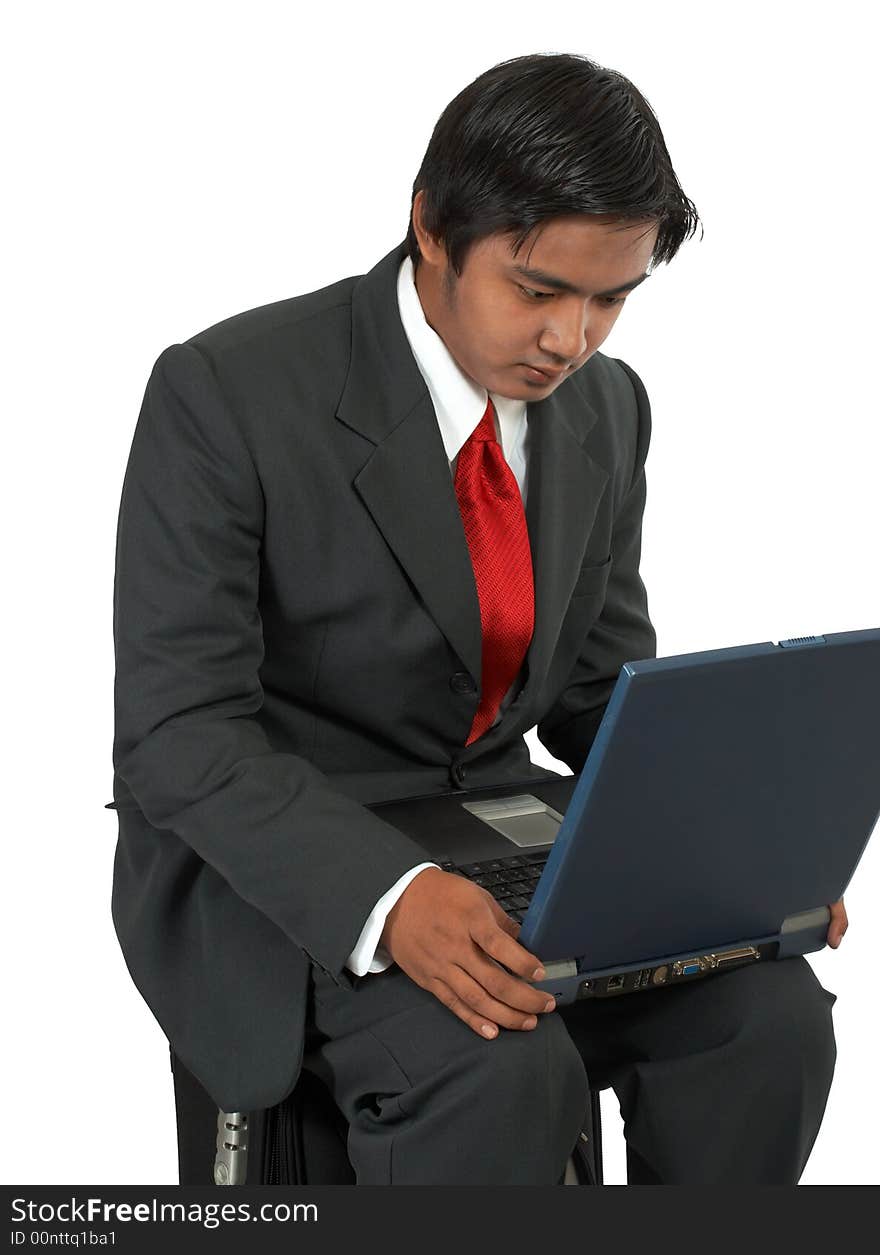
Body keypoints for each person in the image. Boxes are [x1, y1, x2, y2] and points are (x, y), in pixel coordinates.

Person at [109, 52, 844, 1184]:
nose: (573, 339)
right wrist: (389, 897)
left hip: (497, 827)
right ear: (431, 231)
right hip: (286, 855)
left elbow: (600, 694)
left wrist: (732, 849)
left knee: (768, 1024)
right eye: (539, 288)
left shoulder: (607, 406)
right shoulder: (227, 394)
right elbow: (177, 734)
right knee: (498, 1065)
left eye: (612, 298)